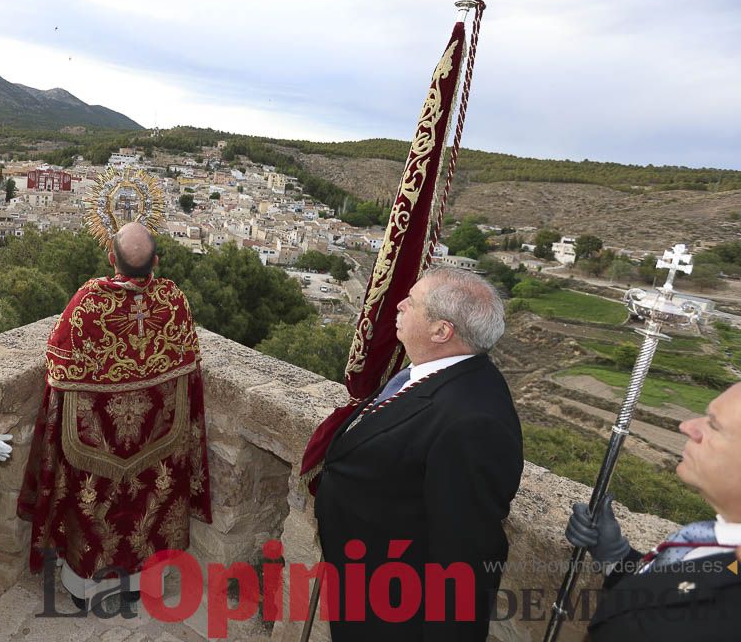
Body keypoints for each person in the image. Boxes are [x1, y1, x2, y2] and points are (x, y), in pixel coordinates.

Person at [313, 267, 523, 641]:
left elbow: (464, 558)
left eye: (410, 303)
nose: (398, 305)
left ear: (441, 331)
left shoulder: (474, 422)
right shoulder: (432, 372)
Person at [17, 222, 212, 610]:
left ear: (112, 259)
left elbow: (56, 360)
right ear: (156, 261)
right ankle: (139, 584)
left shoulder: (88, 302)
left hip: (96, 442)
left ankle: (83, 590)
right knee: (145, 505)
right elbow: (189, 367)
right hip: (156, 441)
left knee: (93, 509)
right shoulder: (173, 300)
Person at [565, 381, 741, 639]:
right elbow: (686, 583)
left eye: (713, 425)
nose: (687, 426)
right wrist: (617, 558)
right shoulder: (715, 545)